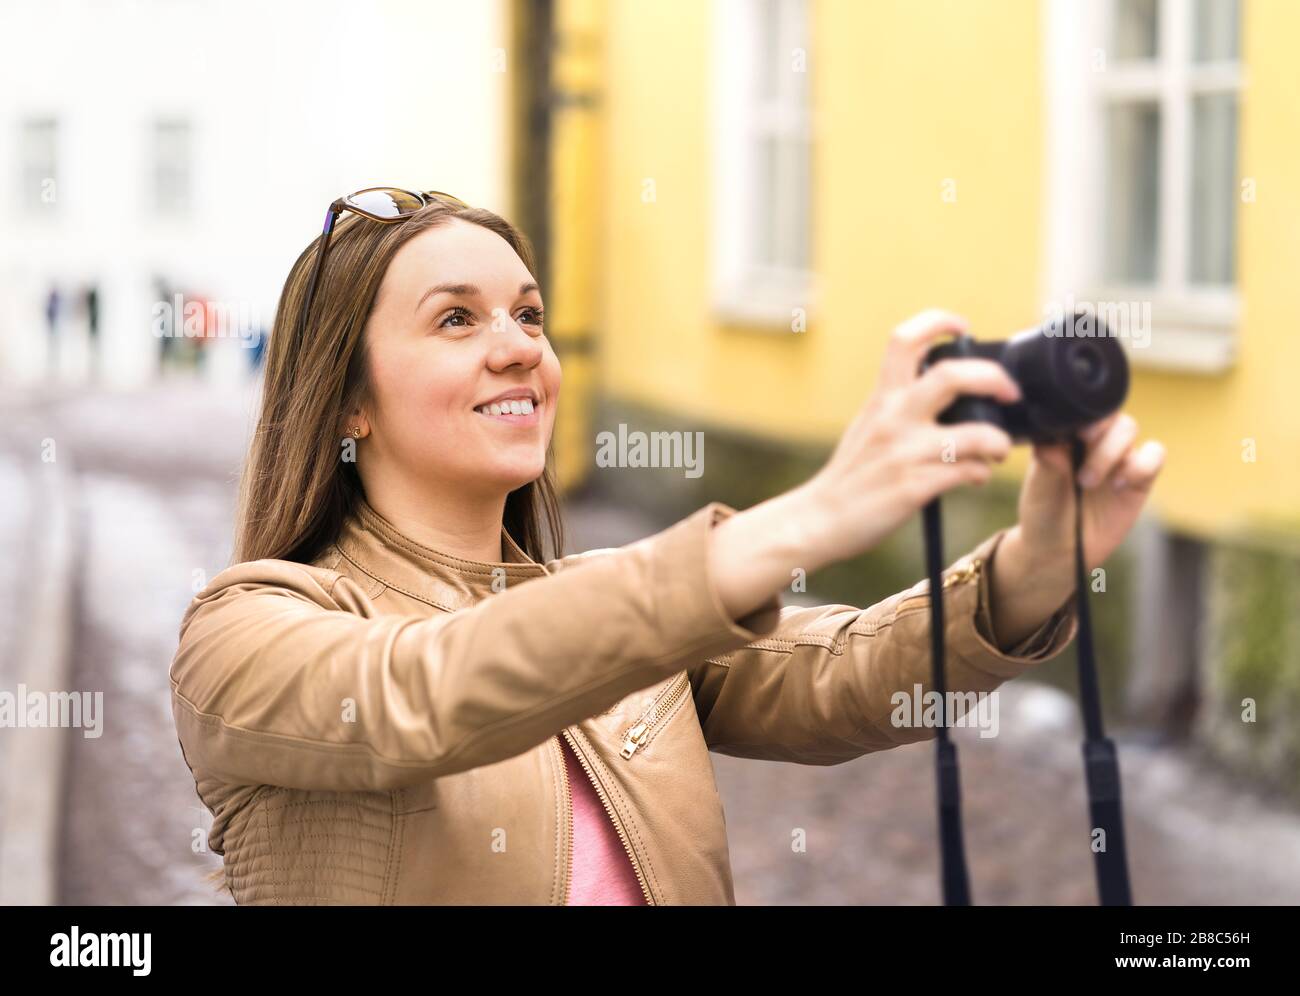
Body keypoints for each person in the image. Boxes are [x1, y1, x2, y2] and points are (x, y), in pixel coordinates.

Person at [169, 191, 1165, 906]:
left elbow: (851, 672)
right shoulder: (245, 636)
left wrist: (1038, 559)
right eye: (455, 319)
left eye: (528, 314)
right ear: (347, 399)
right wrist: (814, 513)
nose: (519, 346)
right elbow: (421, 694)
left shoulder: (618, 609)